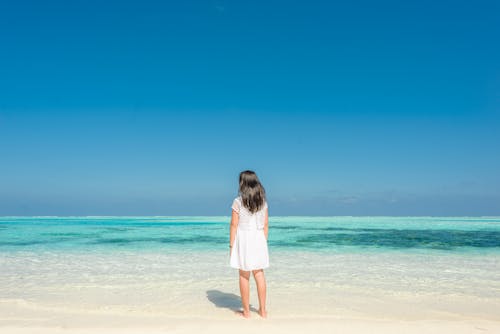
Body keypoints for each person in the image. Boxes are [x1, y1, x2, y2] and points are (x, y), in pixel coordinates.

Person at [229, 170, 269, 319]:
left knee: (244, 275)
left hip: (244, 239)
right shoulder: (263, 202)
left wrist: (231, 246)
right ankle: (263, 311)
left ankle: (246, 312)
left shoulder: (238, 201)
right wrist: (262, 242)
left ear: (243, 183)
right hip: (259, 238)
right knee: (259, 274)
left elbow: (234, 225)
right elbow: (265, 225)